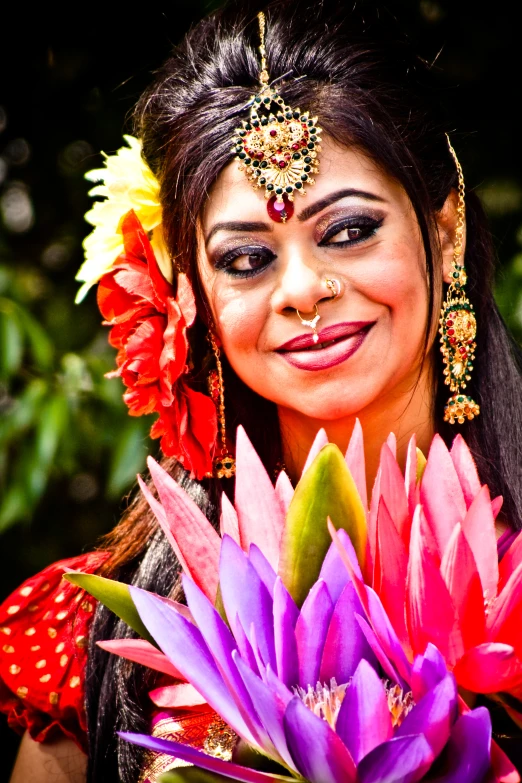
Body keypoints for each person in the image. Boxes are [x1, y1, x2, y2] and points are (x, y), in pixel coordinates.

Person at [2, 1, 522, 781]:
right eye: (247, 259)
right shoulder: (95, 639)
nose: (304, 290)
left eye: (348, 230)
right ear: (191, 296)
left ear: (443, 232)